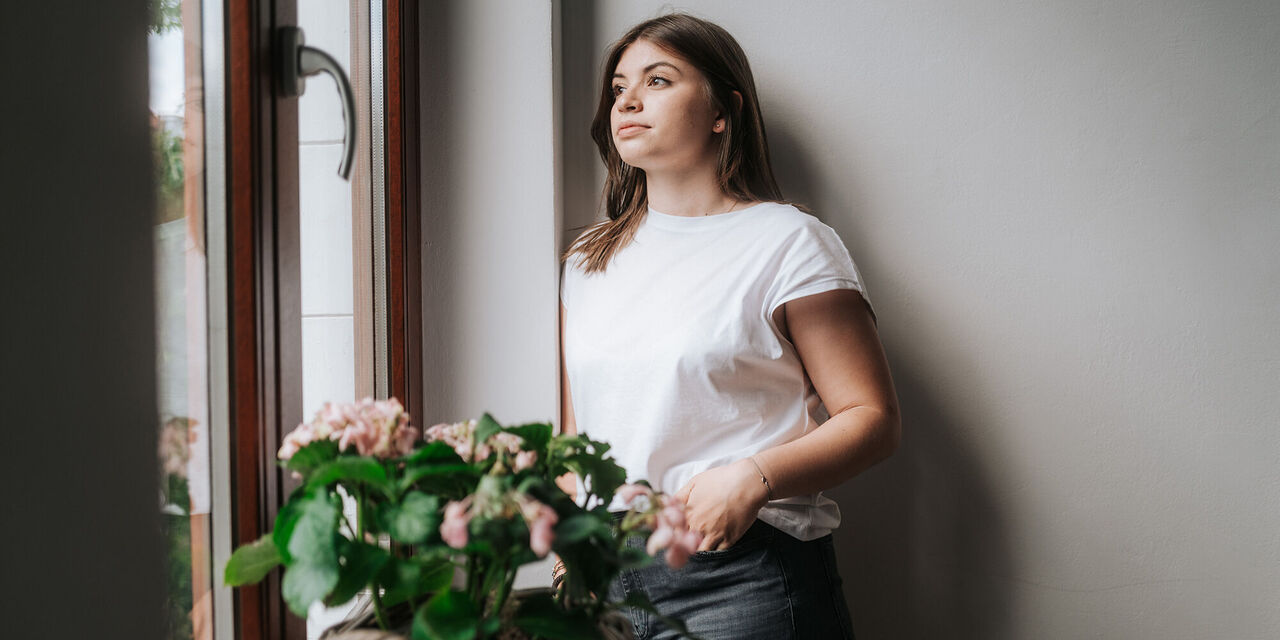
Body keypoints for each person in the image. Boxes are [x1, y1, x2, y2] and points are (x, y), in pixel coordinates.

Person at [554, 12, 901, 640]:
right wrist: (563, 545)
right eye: (619, 87)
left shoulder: (789, 242)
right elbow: (578, 436)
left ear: (723, 110)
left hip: (741, 579)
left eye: (658, 80)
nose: (627, 100)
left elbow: (872, 418)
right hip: (604, 581)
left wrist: (753, 479)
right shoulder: (588, 260)